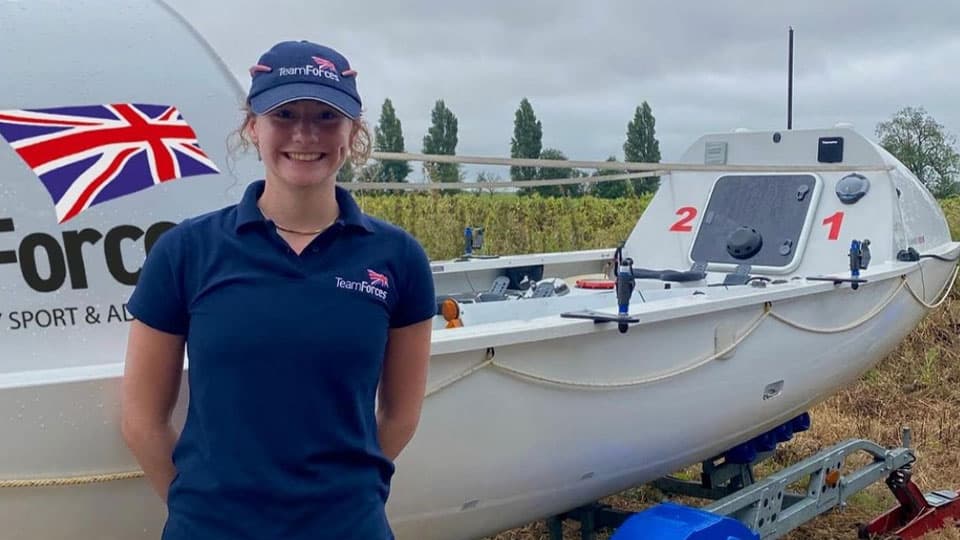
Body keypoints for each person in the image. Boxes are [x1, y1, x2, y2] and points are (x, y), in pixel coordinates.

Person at [120, 39, 436, 540]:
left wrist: (344, 493)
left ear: (353, 132)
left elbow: (400, 415)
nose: (305, 134)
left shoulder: (398, 259)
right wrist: (198, 504)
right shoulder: (185, 252)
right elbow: (141, 419)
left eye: (327, 116)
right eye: (284, 113)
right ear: (253, 126)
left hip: (347, 527)